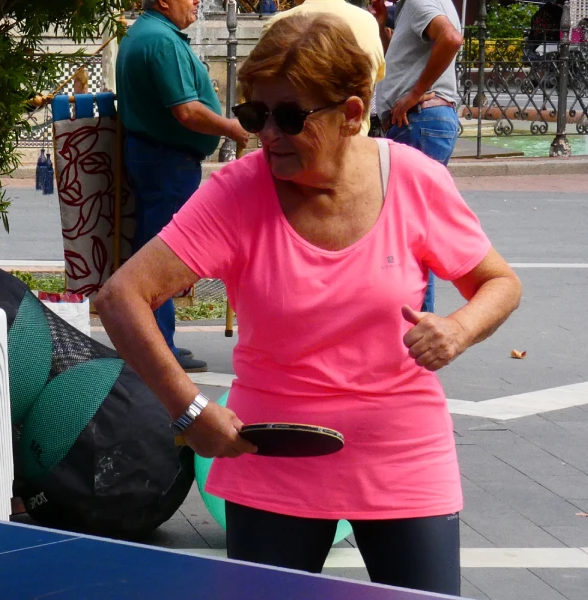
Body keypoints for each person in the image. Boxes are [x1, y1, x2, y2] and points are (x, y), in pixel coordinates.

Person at [96, 13, 520, 596]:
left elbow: (499, 282)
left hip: (402, 450)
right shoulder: (236, 193)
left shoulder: (415, 179)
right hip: (272, 452)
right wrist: (189, 410)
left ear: (350, 114)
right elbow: (122, 297)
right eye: (254, 114)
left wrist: (459, 329)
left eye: (290, 116)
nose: (267, 134)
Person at [115, 0, 250, 373]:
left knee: (155, 247)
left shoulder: (148, 33)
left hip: (157, 156)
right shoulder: (161, 41)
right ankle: (154, 349)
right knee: (161, 254)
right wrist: (231, 128)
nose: (197, 2)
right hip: (165, 159)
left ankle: (159, 342)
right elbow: (186, 110)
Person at [370, 0, 464, 313]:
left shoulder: (421, 2)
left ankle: (416, 334)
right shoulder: (416, 7)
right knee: (410, 230)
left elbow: (450, 39)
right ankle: (415, 330)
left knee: (410, 234)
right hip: (421, 122)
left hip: (418, 120)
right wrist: (384, 26)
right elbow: (402, 62)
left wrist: (413, 93)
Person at [264, 0, 386, 136]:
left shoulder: (280, 24)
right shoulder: (367, 21)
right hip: (354, 140)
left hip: (292, 143)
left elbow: (254, 89)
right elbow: (374, 79)